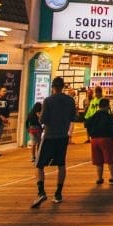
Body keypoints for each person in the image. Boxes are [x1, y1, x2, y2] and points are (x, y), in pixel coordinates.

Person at [31, 76, 77, 208]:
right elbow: (74, 116)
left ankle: (41, 191)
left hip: (50, 136)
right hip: (63, 136)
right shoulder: (70, 100)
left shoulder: (48, 100)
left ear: (53, 87)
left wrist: (40, 117)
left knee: (39, 165)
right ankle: (58, 192)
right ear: (63, 86)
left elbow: (43, 120)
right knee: (61, 164)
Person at [85, 98, 113, 185]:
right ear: (106, 106)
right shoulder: (109, 117)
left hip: (94, 140)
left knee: (98, 160)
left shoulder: (93, 116)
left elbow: (86, 124)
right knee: (110, 159)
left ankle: (99, 178)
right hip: (106, 139)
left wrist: (91, 134)